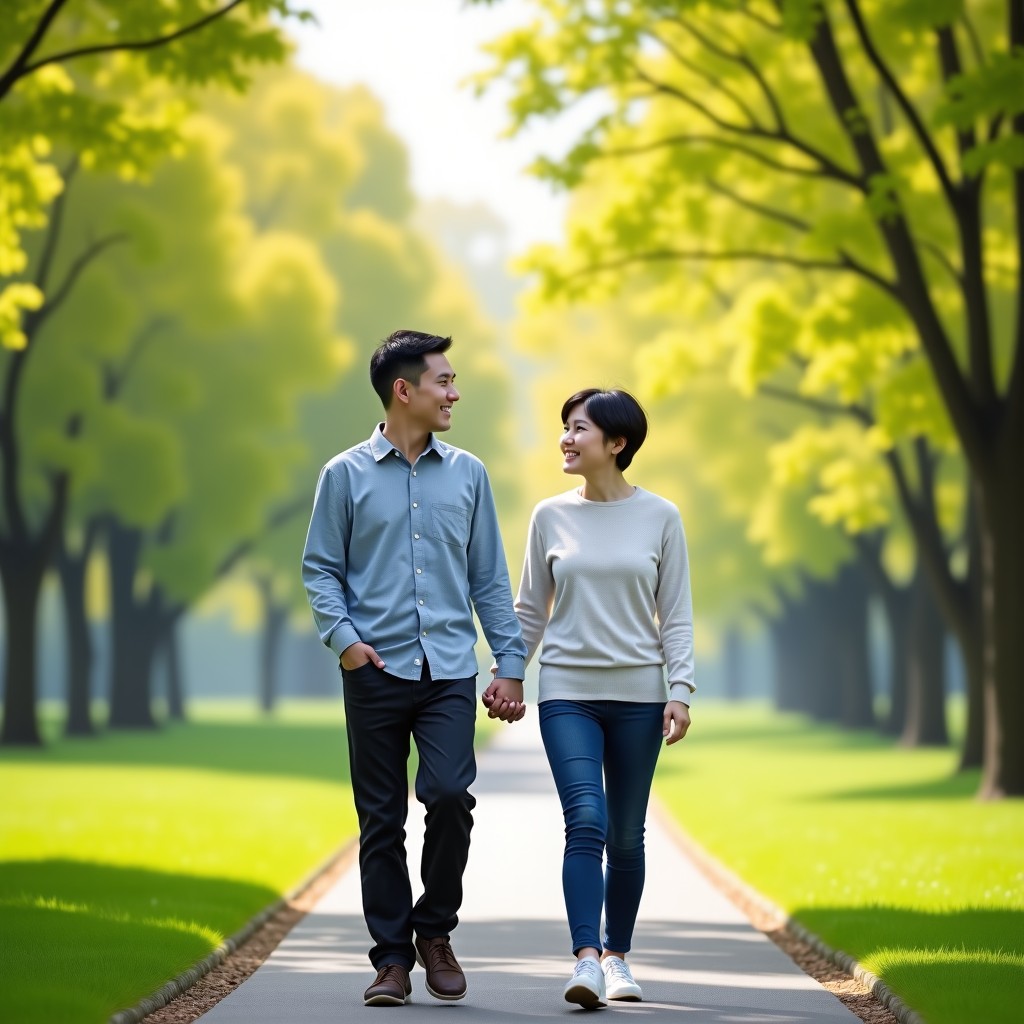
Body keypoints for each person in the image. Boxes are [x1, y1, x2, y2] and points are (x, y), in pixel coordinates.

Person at [302, 330, 527, 1007]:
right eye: (444, 382)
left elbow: (489, 577)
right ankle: (393, 960)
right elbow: (320, 569)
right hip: (373, 669)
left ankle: (436, 930)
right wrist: (344, 642)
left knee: (451, 796)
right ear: (405, 390)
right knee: (380, 820)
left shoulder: (469, 474)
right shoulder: (343, 475)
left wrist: (510, 662)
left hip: (449, 669)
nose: (455, 393)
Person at [489, 387, 694, 1008]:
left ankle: (618, 957)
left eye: (580, 429)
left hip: (638, 697)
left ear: (617, 443)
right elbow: (530, 609)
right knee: (586, 820)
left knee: (627, 835)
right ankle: (585, 962)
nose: (567, 439)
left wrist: (680, 690)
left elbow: (676, 614)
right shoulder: (549, 516)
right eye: (565, 427)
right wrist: (509, 672)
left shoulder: (662, 517)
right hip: (568, 694)